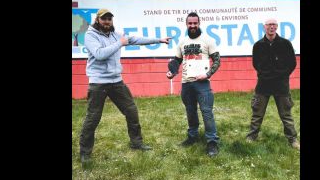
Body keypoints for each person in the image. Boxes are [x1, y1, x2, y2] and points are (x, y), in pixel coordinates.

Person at [79, 9, 171, 164]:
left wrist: (158, 40)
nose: (107, 21)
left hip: (116, 81)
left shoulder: (115, 35)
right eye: (104, 19)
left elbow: (134, 39)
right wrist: (119, 43)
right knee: (93, 118)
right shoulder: (90, 35)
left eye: (109, 19)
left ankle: (136, 143)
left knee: (131, 110)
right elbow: (100, 54)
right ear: (97, 20)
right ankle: (85, 153)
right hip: (98, 82)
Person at [166, 12, 221, 157]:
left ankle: (212, 142)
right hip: (186, 84)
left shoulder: (208, 40)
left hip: (202, 83)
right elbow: (177, 61)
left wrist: (208, 74)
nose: (192, 26)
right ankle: (193, 136)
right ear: (186, 24)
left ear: (199, 23)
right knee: (190, 111)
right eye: (190, 23)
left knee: (207, 112)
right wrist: (172, 72)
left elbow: (217, 61)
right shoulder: (182, 42)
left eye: (195, 23)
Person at [245, 18, 300, 150]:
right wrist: (265, 74)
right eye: (269, 24)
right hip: (263, 85)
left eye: (274, 25)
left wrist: (282, 75)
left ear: (277, 27)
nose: (272, 27)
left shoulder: (285, 44)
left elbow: (292, 63)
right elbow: (255, 64)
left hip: (281, 85)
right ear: (264, 27)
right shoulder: (258, 45)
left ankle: (293, 139)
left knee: (286, 115)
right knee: (257, 113)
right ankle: (252, 136)